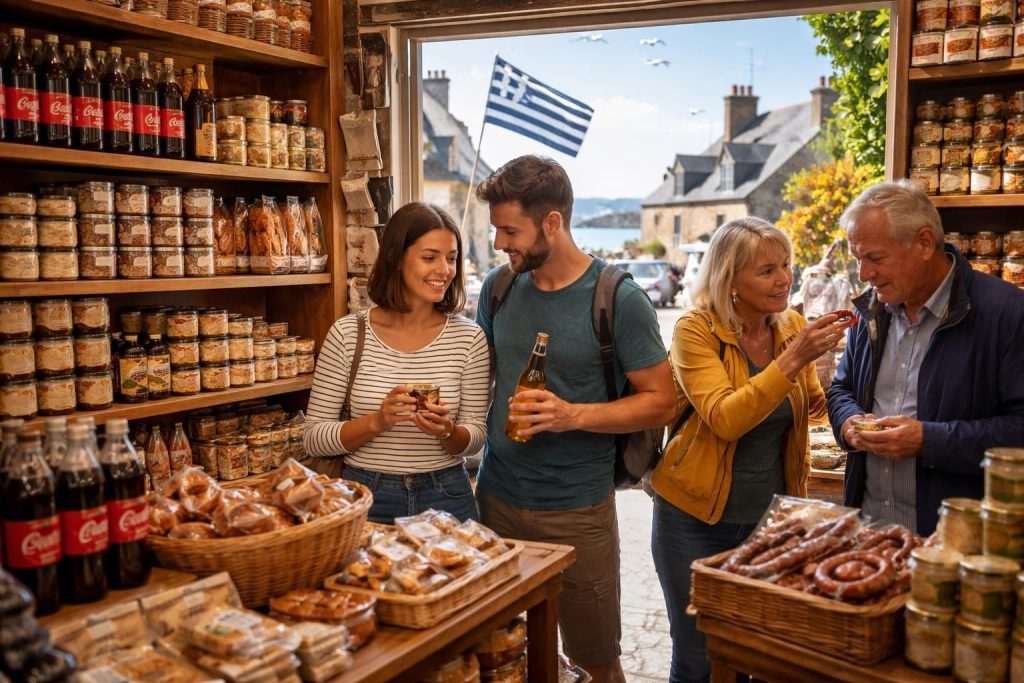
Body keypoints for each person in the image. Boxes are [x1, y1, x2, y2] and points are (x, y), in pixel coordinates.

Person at [474, 155, 676, 683]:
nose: (500, 243)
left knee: (596, 659)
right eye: (496, 230)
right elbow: (480, 382)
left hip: (577, 512)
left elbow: (662, 401)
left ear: (552, 223)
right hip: (495, 500)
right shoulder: (497, 289)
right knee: (503, 654)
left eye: (509, 230)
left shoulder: (619, 298)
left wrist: (571, 415)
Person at [649, 217, 851, 683]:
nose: (784, 279)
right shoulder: (695, 330)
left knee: (758, 652)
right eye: (766, 270)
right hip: (693, 520)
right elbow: (725, 418)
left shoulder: (791, 326)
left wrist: (836, 376)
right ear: (729, 279)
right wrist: (795, 359)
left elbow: (810, 409)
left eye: (786, 265)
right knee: (700, 656)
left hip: (771, 523)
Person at [828, 180, 1024, 535]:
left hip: (956, 547)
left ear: (922, 242)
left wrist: (928, 441)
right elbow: (841, 389)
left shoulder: (1007, 313)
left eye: (875, 257)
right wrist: (849, 422)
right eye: (858, 259)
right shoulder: (872, 309)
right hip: (870, 533)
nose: (863, 274)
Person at [303, 202, 491, 524]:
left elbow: (475, 434)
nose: (445, 270)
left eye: (452, 258)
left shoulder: (469, 338)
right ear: (396, 260)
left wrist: (447, 431)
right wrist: (378, 421)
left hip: (446, 492)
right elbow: (314, 436)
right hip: (364, 493)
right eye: (429, 257)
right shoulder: (348, 333)